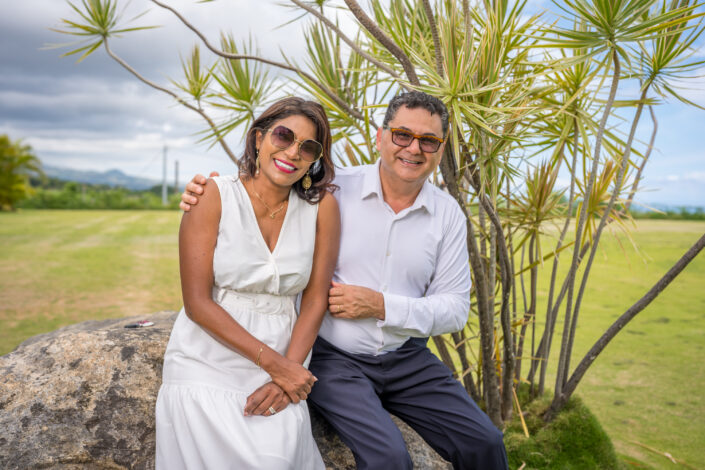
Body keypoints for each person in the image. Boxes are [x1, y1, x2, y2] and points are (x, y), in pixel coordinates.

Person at [181, 91, 508, 469]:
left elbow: (454, 311)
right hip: (334, 360)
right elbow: (274, 177)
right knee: (388, 458)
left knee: (485, 443)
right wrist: (208, 190)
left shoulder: (448, 214)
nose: (414, 149)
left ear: (441, 148)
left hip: (408, 359)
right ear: (380, 137)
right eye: (402, 135)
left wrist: (381, 306)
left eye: (428, 140)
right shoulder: (332, 191)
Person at [156, 96, 340, 470]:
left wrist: (288, 372)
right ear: (259, 138)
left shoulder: (322, 208)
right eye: (283, 136)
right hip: (206, 361)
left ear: (315, 159)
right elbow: (197, 303)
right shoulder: (212, 195)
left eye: (308, 147)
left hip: (286, 356)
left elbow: (315, 300)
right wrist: (278, 367)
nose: (293, 152)